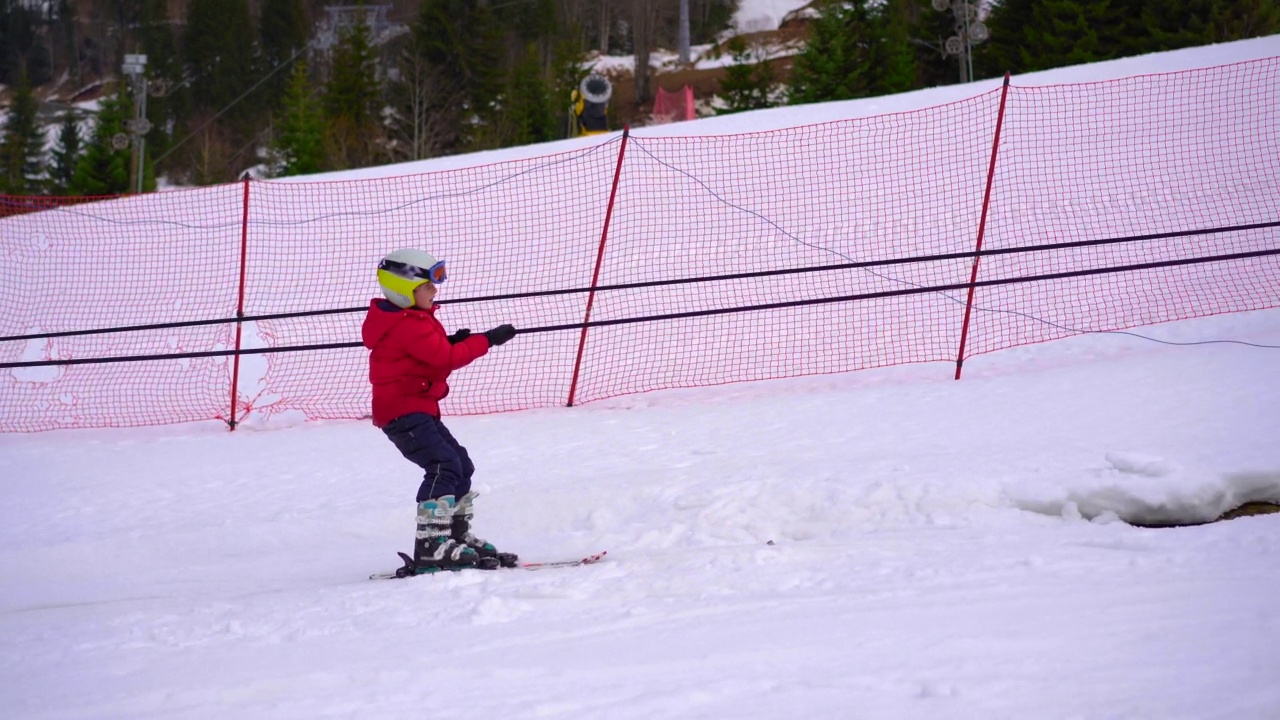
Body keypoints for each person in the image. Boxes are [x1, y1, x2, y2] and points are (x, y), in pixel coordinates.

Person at [361, 248, 518, 573]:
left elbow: (423, 352)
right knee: (443, 465)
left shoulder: (411, 318)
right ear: (404, 291)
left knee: (460, 464)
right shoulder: (409, 324)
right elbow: (445, 359)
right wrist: (486, 340)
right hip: (403, 412)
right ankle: (431, 545)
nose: (436, 291)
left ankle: (454, 537)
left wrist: (449, 340)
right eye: (428, 286)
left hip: (416, 407)